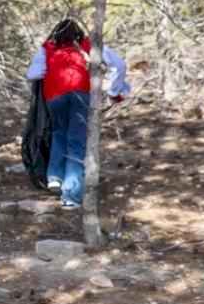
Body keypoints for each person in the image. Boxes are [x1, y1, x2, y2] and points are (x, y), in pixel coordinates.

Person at [25, 18, 130, 209]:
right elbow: (119, 65)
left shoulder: (47, 48)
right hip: (81, 95)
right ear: (78, 34)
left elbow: (33, 73)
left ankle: (54, 178)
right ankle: (71, 197)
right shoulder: (88, 45)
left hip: (54, 97)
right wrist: (114, 91)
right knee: (77, 141)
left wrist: (51, 72)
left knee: (59, 134)